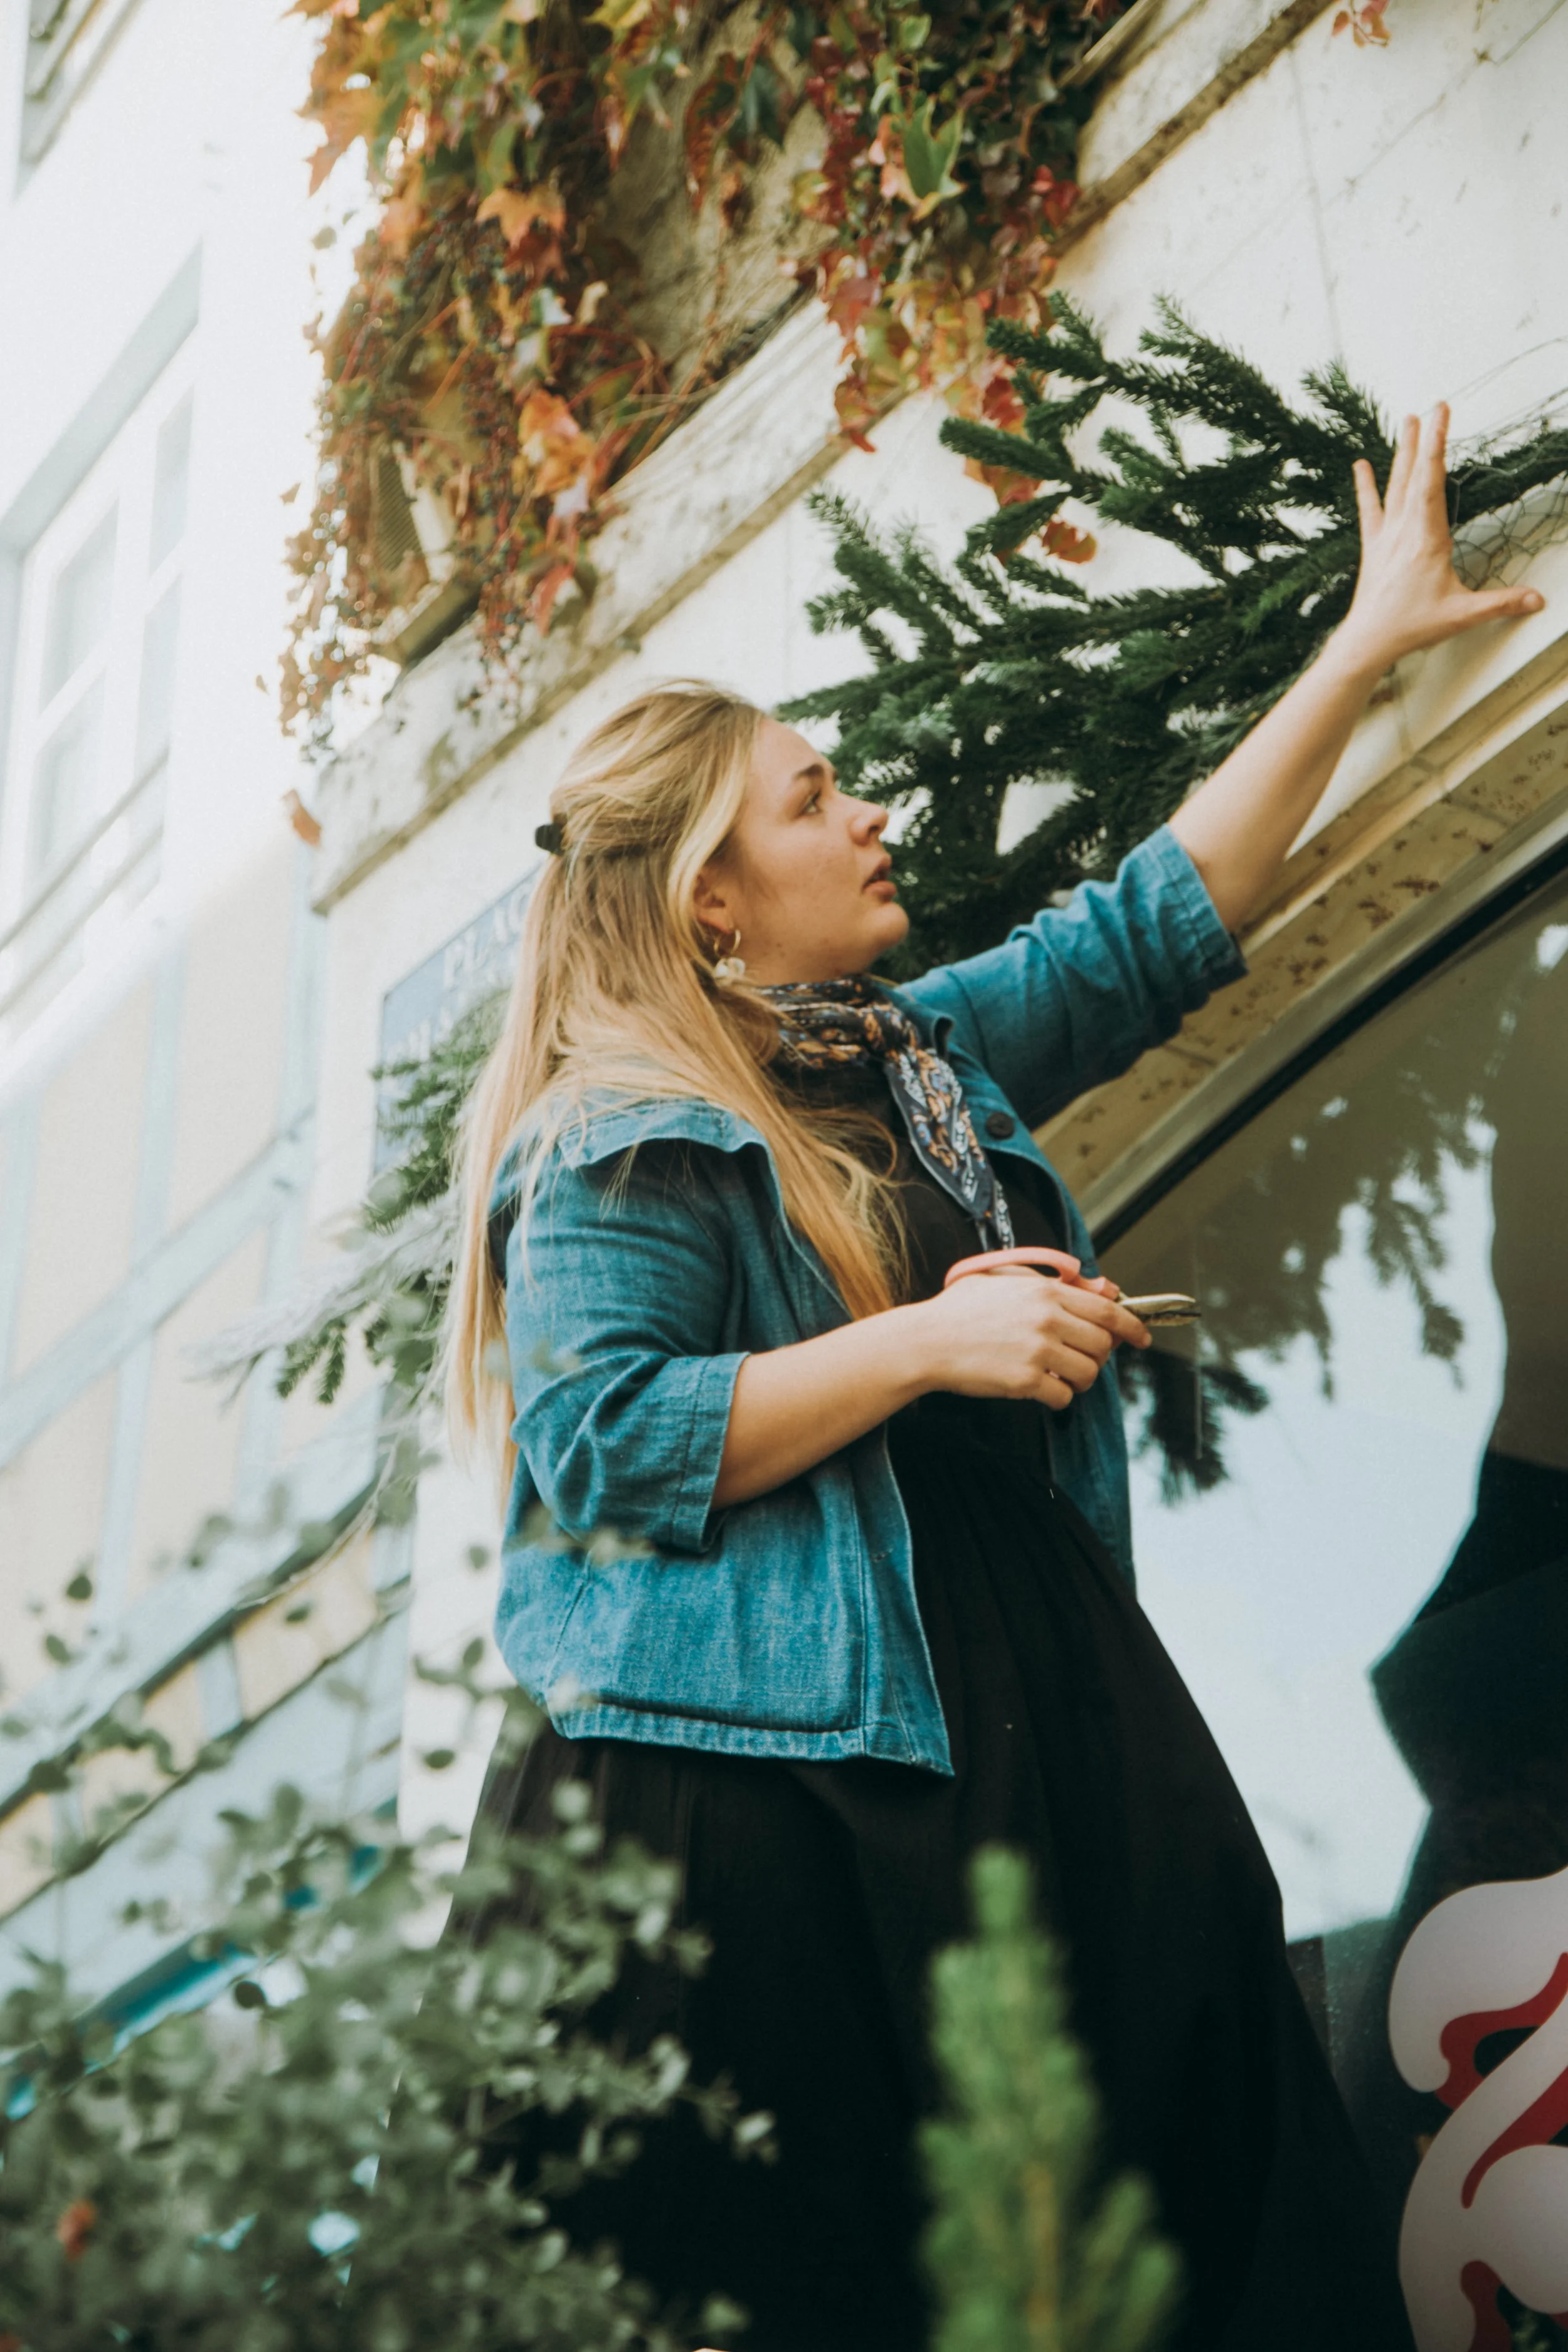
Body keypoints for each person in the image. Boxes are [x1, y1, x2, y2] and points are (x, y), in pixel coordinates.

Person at [446, 410, 1542, 2350]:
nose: (867, 814)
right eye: (812, 796)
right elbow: (601, 1449)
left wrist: (1361, 650)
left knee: (1206, 2146)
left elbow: (1147, 935)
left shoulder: (908, 1062)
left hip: (1023, 1677)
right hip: (808, 1788)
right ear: (710, 898)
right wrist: (932, 1340)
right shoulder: (619, 1136)